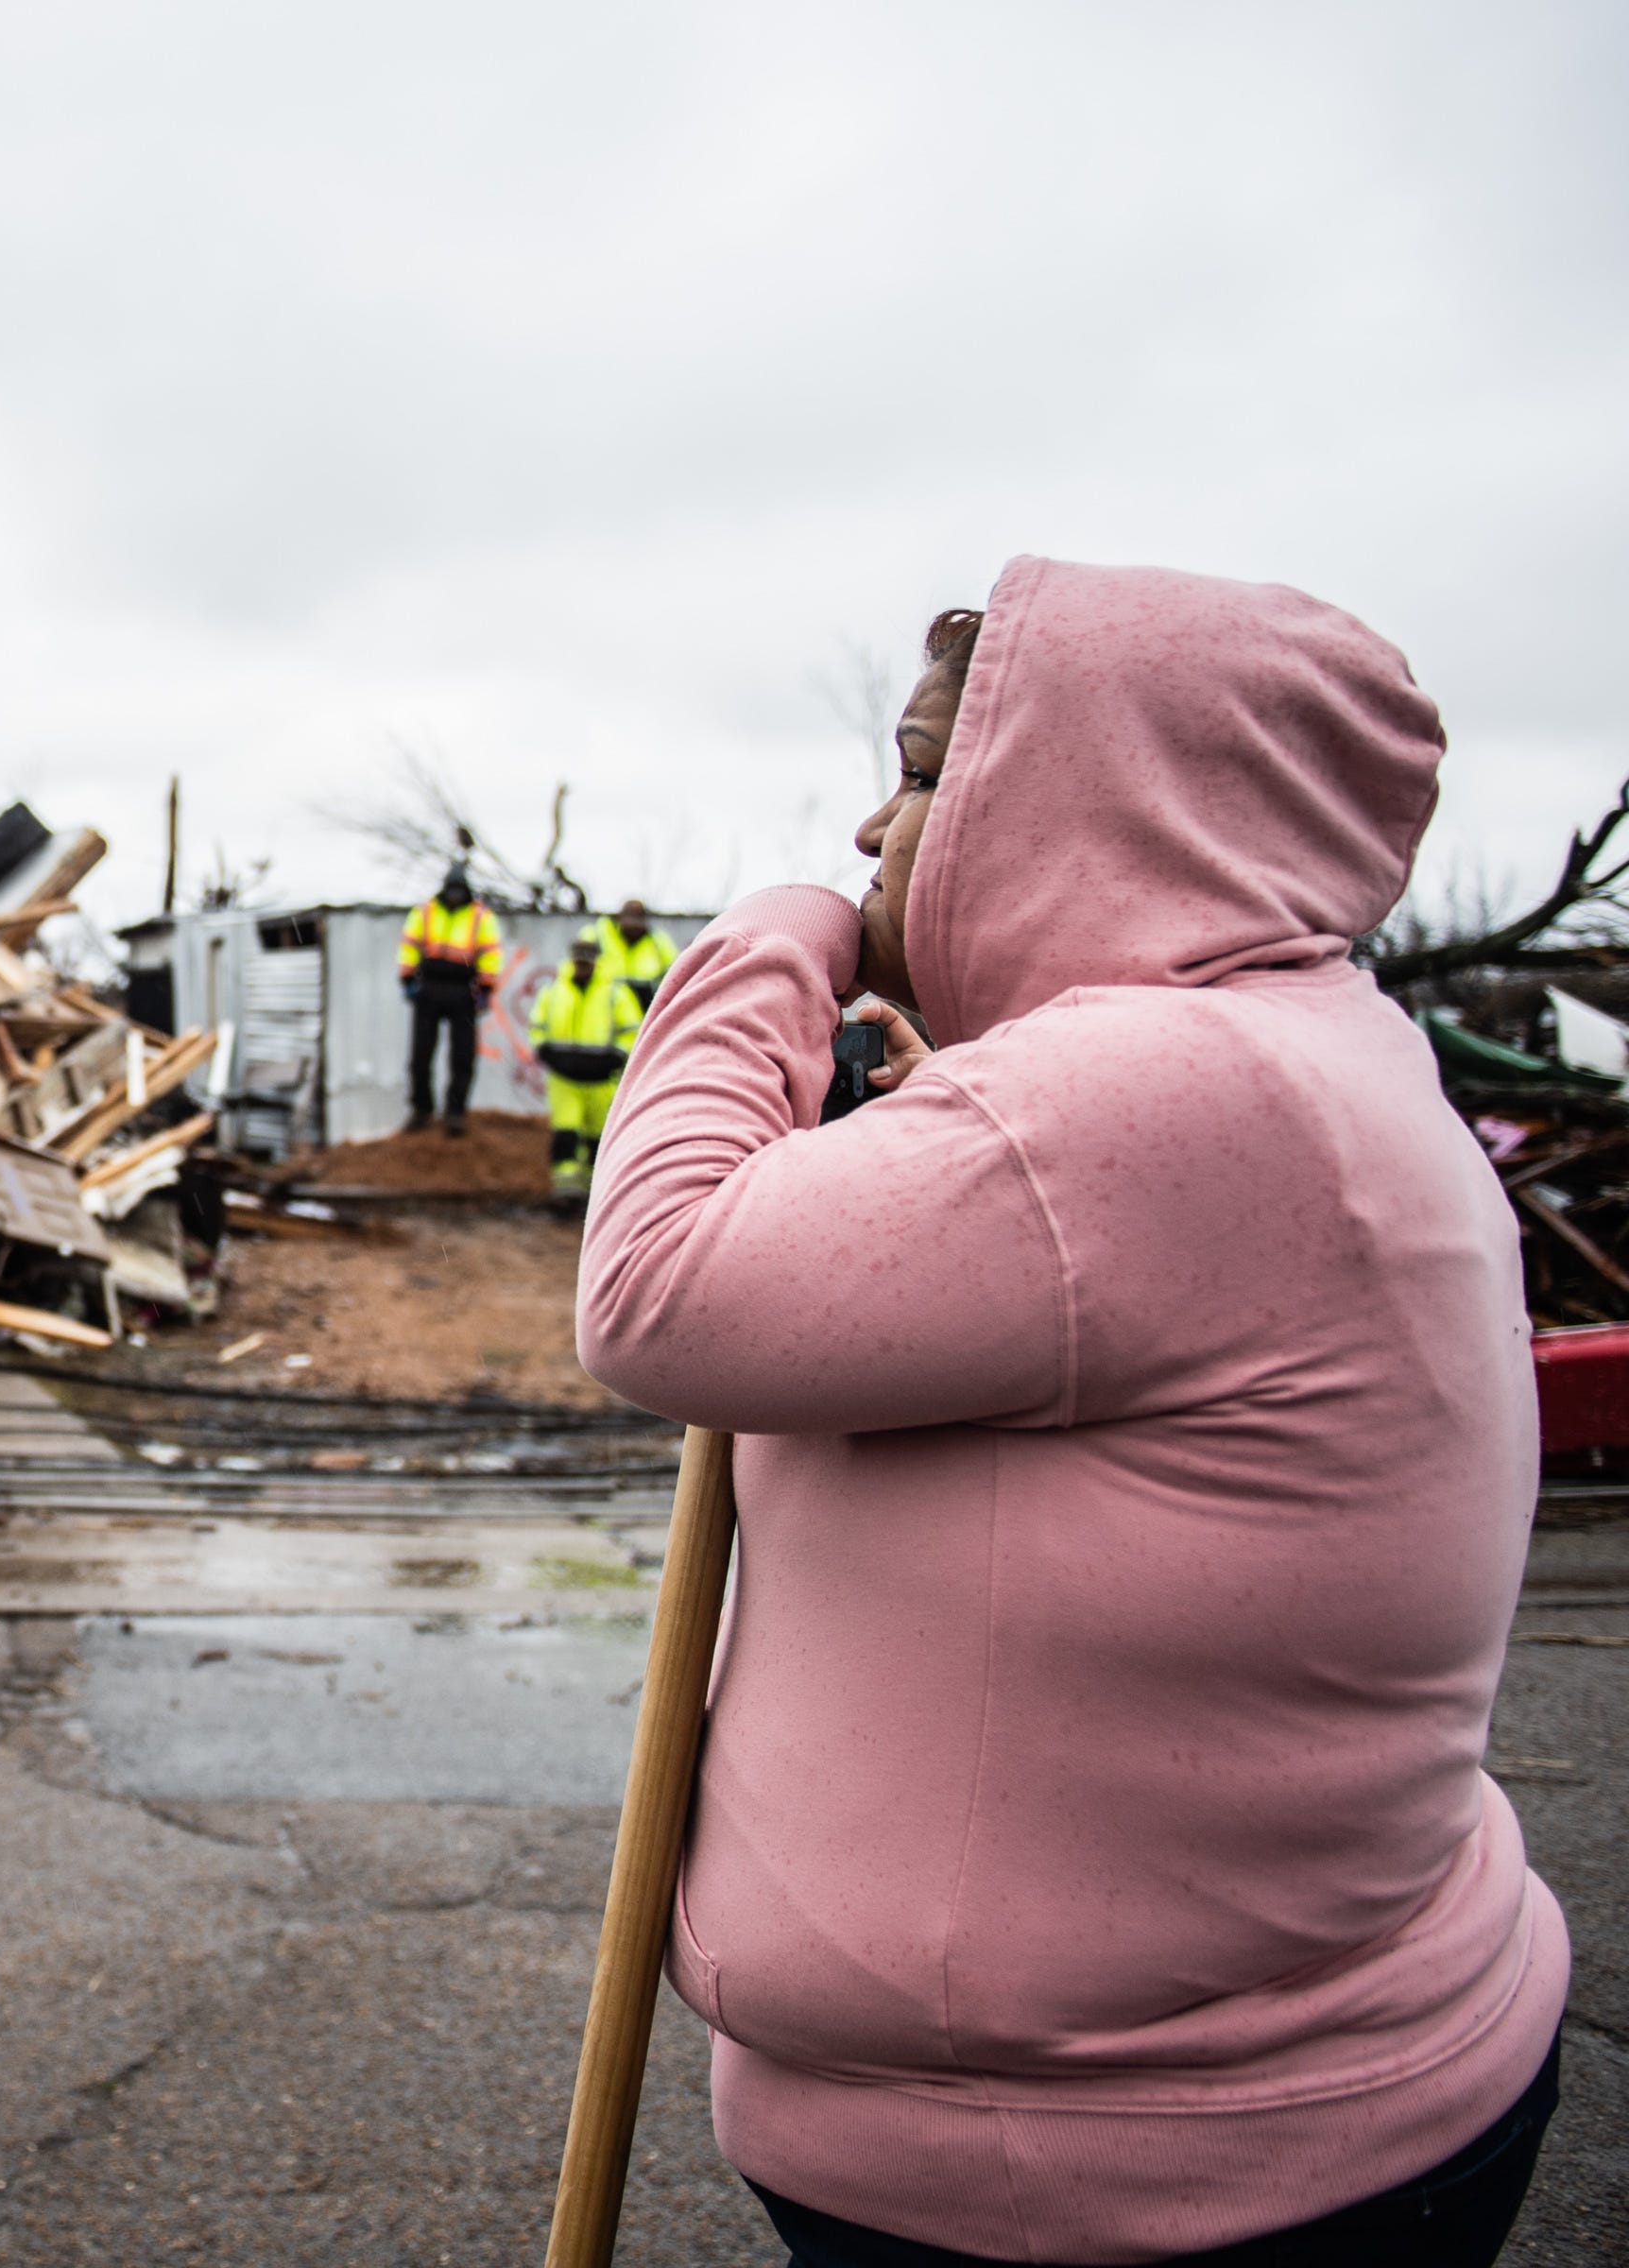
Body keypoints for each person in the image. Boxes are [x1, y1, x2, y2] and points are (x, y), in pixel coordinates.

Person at [577, 561, 1563, 2265]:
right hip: (1170, 2126)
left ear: (1110, 787)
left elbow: (661, 1286)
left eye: (927, 769)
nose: (877, 826)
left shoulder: (1170, 1088)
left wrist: (772, 936)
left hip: (1148, 2189)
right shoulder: (1291, 1051)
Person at [529, 929, 646, 1196]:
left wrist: (616, 1058)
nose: (583, 965)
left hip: (601, 1080)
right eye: (579, 960)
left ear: (596, 961)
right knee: (566, 1135)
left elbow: (632, 1031)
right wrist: (546, 1052)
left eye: (587, 960)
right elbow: (537, 1026)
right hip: (564, 1079)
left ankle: (597, 1195)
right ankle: (567, 1193)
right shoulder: (553, 992)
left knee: (601, 1140)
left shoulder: (616, 993)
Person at [397, 866, 498, 1133]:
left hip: (463, 990)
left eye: (459, 891)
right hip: (429, 988)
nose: (454, 896)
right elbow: (409, 945)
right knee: (420, 1055)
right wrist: (407, 979)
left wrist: (486, 988)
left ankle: (455, 1113)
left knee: (462, 1056)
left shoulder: (480, 916)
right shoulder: (425, 912)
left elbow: (490, 953)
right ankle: (422, 1109)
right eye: (450, 891)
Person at [590, 897, 676, 1005]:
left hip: (647, 1007)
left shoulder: (659, 942)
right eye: (629, 916)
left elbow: (675, 974)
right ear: (619, 917)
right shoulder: (597, 936)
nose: (633, 924)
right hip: (605, 1008)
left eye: (638, 917)